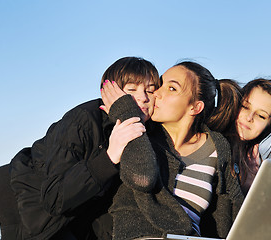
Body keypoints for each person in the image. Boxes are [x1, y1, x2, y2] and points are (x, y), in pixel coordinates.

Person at [0, 56, 160, 240]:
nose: (143, 98)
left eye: (150, 90)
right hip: (31, 206)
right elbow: (55, 198)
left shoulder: (149, 131)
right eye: (131, 89)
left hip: (80, 214)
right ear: (110, 92)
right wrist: (109, 157)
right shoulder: (83, 121)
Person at [93, 61, 244, 239]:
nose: (157, 93)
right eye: (160, 85)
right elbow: (142, 179)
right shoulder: (140, 135)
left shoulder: (217, 147)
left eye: (172, 88)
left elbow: (234, 209)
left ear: (195, 107)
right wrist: (126, 113)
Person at [211, 78, 271, 195]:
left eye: (261, 116)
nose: (249, 117)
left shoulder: (253, 165)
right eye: (245, 107)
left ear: (269, 127)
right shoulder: (209, 140)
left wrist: (249, 186)